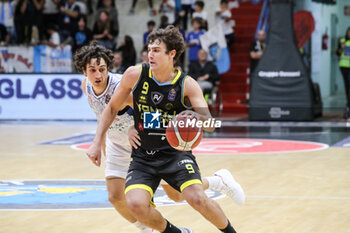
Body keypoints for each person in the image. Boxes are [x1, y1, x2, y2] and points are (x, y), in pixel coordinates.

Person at [87, 26, 244, 233]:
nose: (150, 54)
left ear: (171, 54)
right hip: (144, 156)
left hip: (175, 155)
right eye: (149, 49)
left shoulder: (187, 85)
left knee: (195, 198)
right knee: (135, 204)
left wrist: (194, 117)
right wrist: (97, 142)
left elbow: (212, 124)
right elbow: (112, 108)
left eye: (156, 50)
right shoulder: (135, 74)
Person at [336, 27, 350, 119]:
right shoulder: (342, 40)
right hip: (344, 67)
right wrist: (341, 47)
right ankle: (348, 106)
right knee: (347, 86)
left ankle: (348, 105)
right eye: (349, 32)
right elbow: (337, 52)